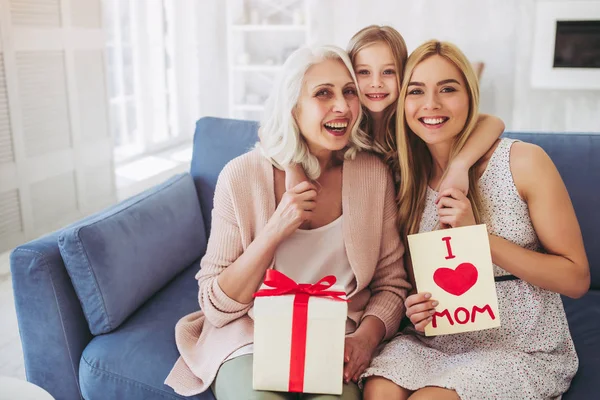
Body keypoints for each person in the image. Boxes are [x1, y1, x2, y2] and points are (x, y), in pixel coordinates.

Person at [164, 44, 411, 399]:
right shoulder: (241, 176)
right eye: (323, 93)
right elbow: (215, 305)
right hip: (252, 337)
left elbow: (391, 283)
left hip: (335, 339)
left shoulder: (373, 175)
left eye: (349, 92)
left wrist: (364, 339)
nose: (342, 106)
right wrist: (276, 227)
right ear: (293, 107)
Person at [360, 39, 590, 400]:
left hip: (522, 348)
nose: (431, 104)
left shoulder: (524, 162)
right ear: (402, 102)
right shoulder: (404, 179)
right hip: (438, 342)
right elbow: (417, 281)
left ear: (470, 96)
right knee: (378, 392)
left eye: (447, 89)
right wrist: (416, 309)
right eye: (416, 91)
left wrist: (478, 239)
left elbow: (576, 279)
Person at [284, 26, 505, 215]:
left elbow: (493, 122)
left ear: (404, 75)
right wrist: (291, 166)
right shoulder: (343, 125)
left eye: (388, 72)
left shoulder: (416, 122)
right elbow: (280, 131)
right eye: (364, 72)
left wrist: (460, 165)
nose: (376, 83)